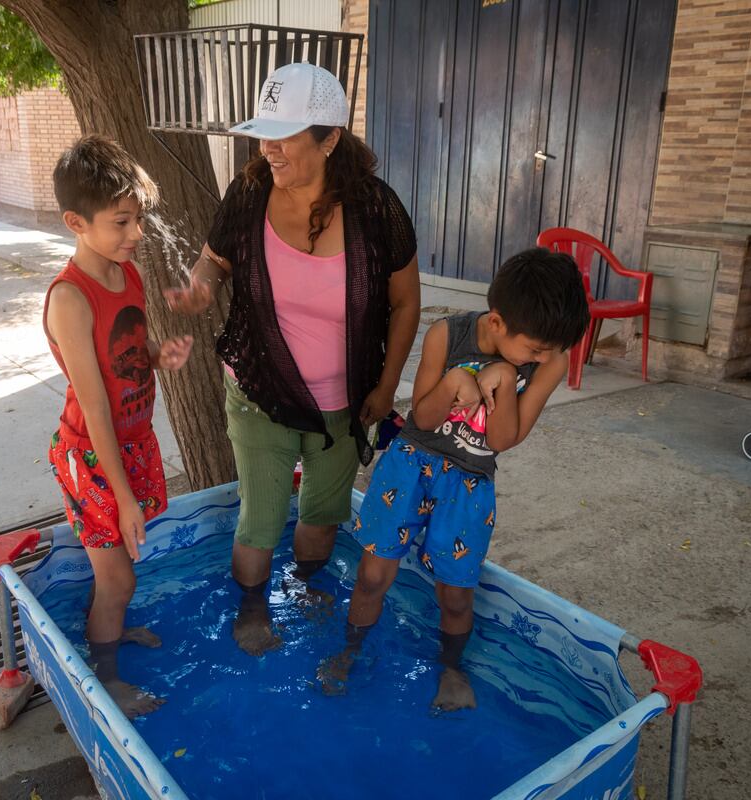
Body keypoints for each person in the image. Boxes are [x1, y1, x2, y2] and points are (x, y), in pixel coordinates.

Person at [166, 62, 421, 656]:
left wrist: (386, 391)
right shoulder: (249, 193)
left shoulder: (377, 209)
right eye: (264, 133)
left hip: (347, 400)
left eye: (285, 137)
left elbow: (406, 304)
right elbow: (214, 260)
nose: (268, 149)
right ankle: (253, 607)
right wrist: (202, 286)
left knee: (324, 514)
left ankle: (304, 587)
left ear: (329, 139)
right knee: (259, 517)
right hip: (260, 389)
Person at [317, 247, 590, 711]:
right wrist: (453, 383)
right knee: (371, 575)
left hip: (469, 483)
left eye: (550, 350)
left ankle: (451, 670)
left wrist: (503, 377)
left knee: (457, 592)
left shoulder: (550, 362)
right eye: (536, 348)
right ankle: (350, 651)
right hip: (411, 463)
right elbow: (422, 416)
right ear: (498, 323)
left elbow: (504, 438)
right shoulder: (448, 334)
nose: (544, 357)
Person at [43, 135, 194, 719]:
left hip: (130, 443)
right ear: (76, 222)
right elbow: (95, 404)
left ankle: (110, 630)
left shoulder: (123, 274)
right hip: (92, 455)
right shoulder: (70, 300)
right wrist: (124, 496)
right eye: (122, 222)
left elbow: (124, 350)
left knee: (119, 574)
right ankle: (104, 679)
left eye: (139, 219)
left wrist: (157, 356)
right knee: (119, 580)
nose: (136, 234)